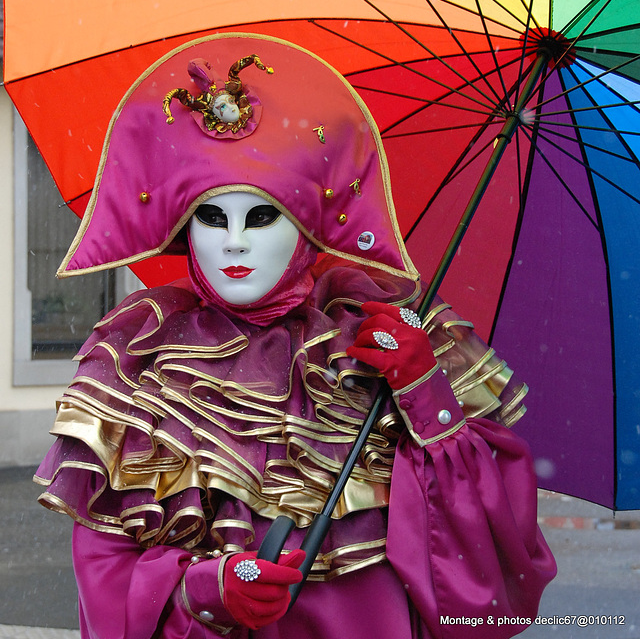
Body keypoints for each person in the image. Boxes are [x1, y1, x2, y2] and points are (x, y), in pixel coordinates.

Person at [34, 33, 556, 638]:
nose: (234, 241)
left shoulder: (381, 338)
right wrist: (206, 593)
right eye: (211, 216)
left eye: (261, 216)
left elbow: (486, 582)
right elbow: (105, 579)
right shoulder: (139, 361)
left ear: (306, 224)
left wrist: (426, 398)